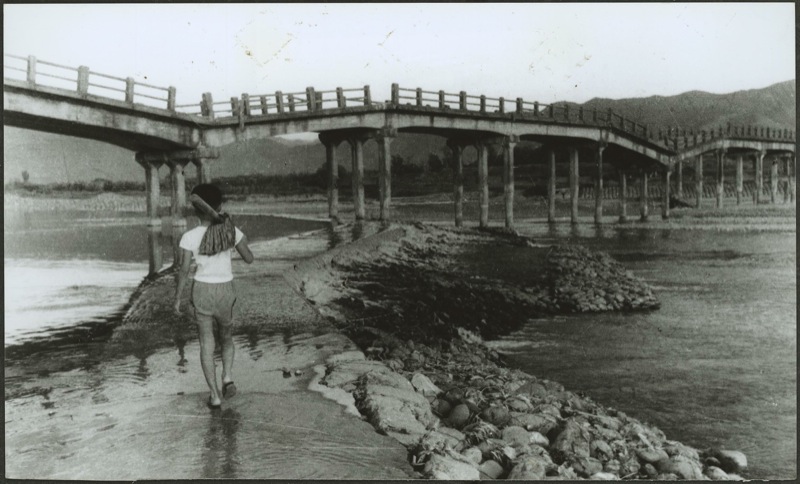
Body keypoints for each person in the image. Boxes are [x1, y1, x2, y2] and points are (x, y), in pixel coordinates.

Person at [173, 184, 254, 409]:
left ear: (196, 210)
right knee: (226, 337)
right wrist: (237, 237)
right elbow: (249, 258)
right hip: (226, 290)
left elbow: (184, 270)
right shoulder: (230, 231)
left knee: (206, 343)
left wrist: (177, 298)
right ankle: (227, 376)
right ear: (219, 206)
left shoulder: (189, 236)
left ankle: (215, 395)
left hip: (202, 291)